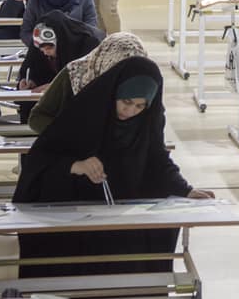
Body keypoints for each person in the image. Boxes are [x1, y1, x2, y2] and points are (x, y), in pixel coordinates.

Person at [13, 57, 214, 278]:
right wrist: (75, 166)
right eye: (126, 101)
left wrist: (185, 190)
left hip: (124, 213)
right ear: (114, 92)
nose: (130, 111)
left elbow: (157, 160)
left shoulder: (148, 120)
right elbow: (39, 161)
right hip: (78, 213)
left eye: (140, 106)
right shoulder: (85, 112)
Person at [29, 32, 149, 134]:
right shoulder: (75, 74)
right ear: (106, 63)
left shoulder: (145, 82)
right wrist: (71, 134)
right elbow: (37, 117)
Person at [17, 12, 104, 123]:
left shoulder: (87, 43)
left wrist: (53, 87)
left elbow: (86, 81)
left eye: (49, 48)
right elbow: (28, 67)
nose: (45, 53)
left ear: (60, 41)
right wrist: (27, 80)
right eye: (41, 50)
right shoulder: (38, 46)